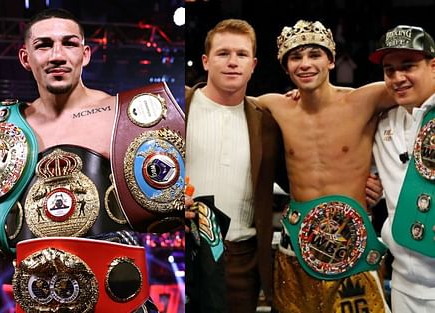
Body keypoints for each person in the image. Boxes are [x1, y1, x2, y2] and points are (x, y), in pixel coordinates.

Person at [0, 8, 185, 313]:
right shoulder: (6, 133)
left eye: (68, 43)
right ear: (26, 58)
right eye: (43, 45)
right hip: (40, 302)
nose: (57, 55)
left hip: (121, 304)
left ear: (85, 54)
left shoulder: (124, 116)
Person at [253, 20, 396, 313]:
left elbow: (419, 89)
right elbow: (221, 105)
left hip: (352, 246)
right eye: (296, 57)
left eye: (314, 55)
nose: (305, 64)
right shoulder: (275, 105)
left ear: (331, 60)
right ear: (286, 67)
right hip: (294, 244)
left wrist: (387, 179)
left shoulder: (364, 100)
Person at [185, 19, 288, 313]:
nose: (233, 62)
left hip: (242, 259)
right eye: (223, 53)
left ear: (253, 64)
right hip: (186, 249)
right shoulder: (180, 106)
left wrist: (361, 185)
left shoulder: (266, 121)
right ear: (205, 61)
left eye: (241, 55)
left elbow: (300, 175)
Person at [369, 24, 435, 313]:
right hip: (403, 283)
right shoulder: (383, 124)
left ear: (433, 66)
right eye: (389, 70)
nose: (397, 77)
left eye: (408, 66)